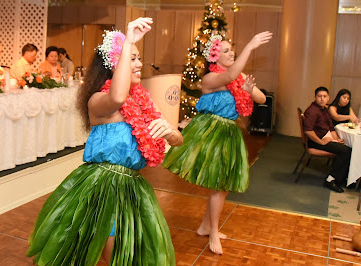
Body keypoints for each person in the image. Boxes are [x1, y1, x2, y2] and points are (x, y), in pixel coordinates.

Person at [27, 17, 182, 265]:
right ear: (114, 64)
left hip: (133, 188)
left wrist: (170, 133)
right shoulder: (99, 101)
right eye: (132, 59)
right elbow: (118, 96)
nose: (140, 64)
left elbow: (177, 139)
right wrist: (128, 38)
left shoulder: (141, 102)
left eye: (138, 57)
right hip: (103, 188)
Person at [163, 32, 273, 255]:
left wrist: (250, 90)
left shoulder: (239, 77)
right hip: (211, 132)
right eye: (225, 51)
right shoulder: (210, 79)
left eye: (232, 49)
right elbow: (231, 74)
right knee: (218, 185)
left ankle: (206, 226)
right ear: (214, 58)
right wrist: (250, 46)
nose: (231, 52)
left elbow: (262, 99)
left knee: (222, 186)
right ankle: (213, 231)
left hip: (230, 133)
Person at [304, 86, 352, 193]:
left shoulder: (324, 109)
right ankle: (331, 179)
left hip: (325, 139)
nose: (322, 99)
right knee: (346, 151)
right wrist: (321, 141)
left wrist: (336, 139)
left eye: (324, 96)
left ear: (328, 98)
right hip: (316, 142)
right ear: (315, 97)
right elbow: (308, 131)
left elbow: (331, 128)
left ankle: (342, 177)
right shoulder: (312, 111)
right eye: (319, 96)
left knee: (346, 147)